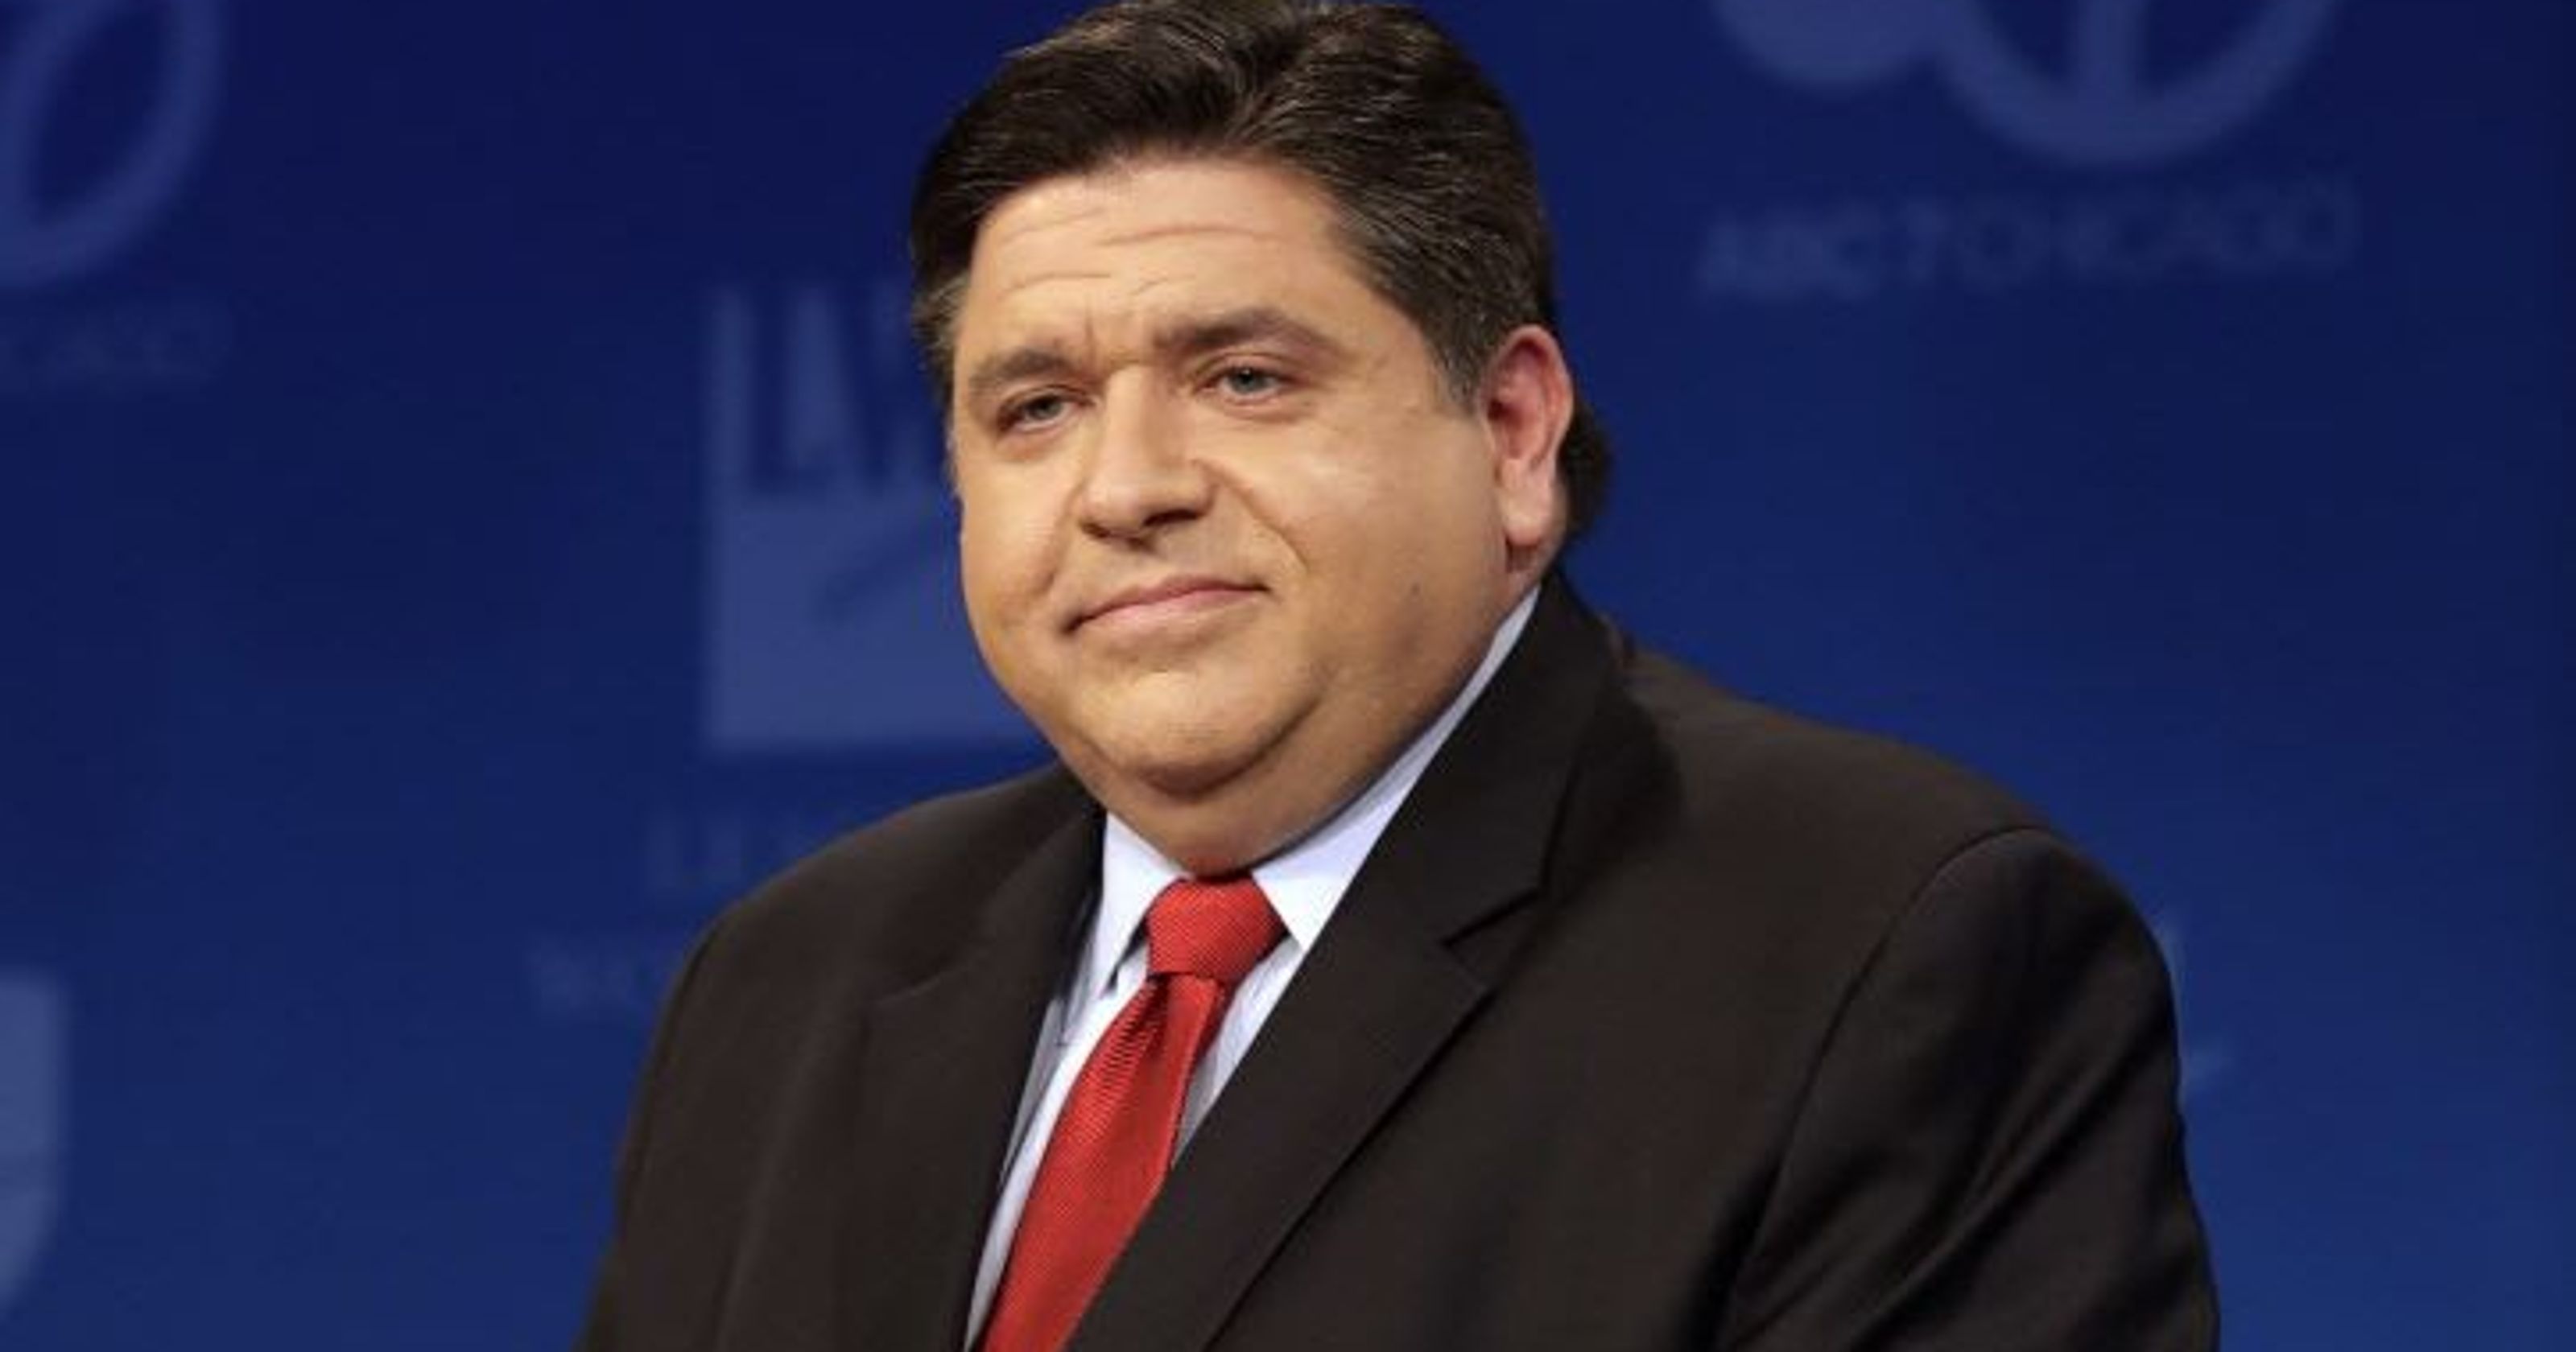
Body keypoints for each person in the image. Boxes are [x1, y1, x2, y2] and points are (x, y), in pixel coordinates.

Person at [576, 2, 2217, 1348]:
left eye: (1242, 375)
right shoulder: (793, 976)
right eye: (1036, 409)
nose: (1125, 485)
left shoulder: (1885, 941)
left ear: (1511, 433)